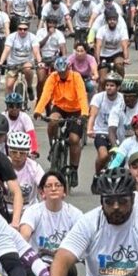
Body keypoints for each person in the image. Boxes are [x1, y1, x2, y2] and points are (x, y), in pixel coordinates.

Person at [33, 57, 89, 189]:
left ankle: (74, 169)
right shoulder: (53, 77)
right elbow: (46, 95)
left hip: (76, 110)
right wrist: (38, 110)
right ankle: (53, 145)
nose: (62, 74)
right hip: (60, 107)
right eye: (59, 72)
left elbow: (82, 96)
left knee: (74, 139)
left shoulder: (76, 77)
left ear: (69, 69)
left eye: (64, 72)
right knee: (52, 121)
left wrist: (84, 114)